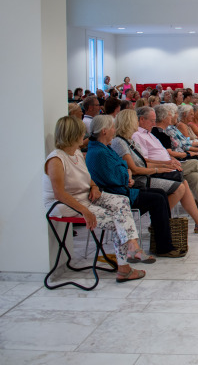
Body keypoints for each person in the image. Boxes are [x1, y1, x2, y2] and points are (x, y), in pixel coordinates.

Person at [44, 116, 151, 283]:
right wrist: (85, 211)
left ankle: (132, 246)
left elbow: (88, 178)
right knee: (118, 220)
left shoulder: (77, 153)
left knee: (122, 201)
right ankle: (124, 268)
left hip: (85, 197)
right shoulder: (56, 159)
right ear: (73, 135)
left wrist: (94, 187)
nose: (85, 136)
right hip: (65, 205)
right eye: (82, 133)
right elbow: (59, 194)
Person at [84, 115, 185, 258]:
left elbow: (123, 168)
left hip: (122, 187)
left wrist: (127, 174)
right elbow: (116, 176)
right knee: (158, 198)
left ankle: (162, 239)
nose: (114, 130)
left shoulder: (103, 147)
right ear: (104, 131)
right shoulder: (100, 152)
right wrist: (127, 176)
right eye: (112, 127)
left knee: (160, 194)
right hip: (118, 193)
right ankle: (164, 245)